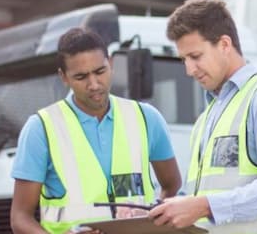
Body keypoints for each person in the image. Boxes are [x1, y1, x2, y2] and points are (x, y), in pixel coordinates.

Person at [149, 0, 257, 233]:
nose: (189, 70)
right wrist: (152, 213)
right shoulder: (206, 118)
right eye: (184, 60)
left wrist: (204, 206)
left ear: (224, 44)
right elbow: (197, 197)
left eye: (195, 56)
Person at [10, 28, 181, 234]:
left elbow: (172, 185)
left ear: (111, 63)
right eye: (81, 77)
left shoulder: (146, 118)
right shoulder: (40, 129)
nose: (94, 84)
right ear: (63, 77)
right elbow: (20, 218)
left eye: (100, 72)